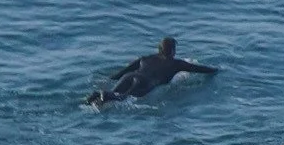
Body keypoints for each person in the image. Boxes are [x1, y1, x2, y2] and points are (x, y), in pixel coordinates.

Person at [85, 36, 218, 108]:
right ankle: (103, 95)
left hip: (130, 76)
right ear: (172, 51)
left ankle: (94, 97)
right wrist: (216, 70)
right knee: (122, 98)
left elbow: (118, 74)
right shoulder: (176, 63)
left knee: (113, 94)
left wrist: (106, 78)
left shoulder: (145, 58)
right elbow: (200, 69)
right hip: (145, 82)